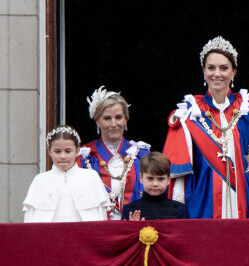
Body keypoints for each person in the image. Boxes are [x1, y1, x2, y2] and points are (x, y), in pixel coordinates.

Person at [163, 36, 249, 218]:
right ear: (203, 71)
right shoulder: (190, 112)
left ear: (234, 72)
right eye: (211, 68)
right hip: (205, 197)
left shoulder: (248, 108)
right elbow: (179, 170)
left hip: (245, 195)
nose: (217, 74)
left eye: (224, 68)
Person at [77, 86, 150, 220]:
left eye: (118, 117)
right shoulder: (84, 158)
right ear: (97, 121)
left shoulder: (141, 154)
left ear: (126, 119)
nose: (114, 123)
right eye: (107, 118)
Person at [23, 126, 109, 222]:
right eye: (57, 151)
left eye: (68, 151)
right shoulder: (40, 180)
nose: (63, 156)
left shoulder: (91, 177)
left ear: (77, 151)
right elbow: (30, 221)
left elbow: (101, 219)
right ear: (49, 152)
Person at [122, 152, 188, 220]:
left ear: (168, 180)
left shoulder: (179, 209)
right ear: (141, 178)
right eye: (150, 178)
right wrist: (132, 227)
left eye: (161, 179)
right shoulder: (130, 210)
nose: (155, 184)